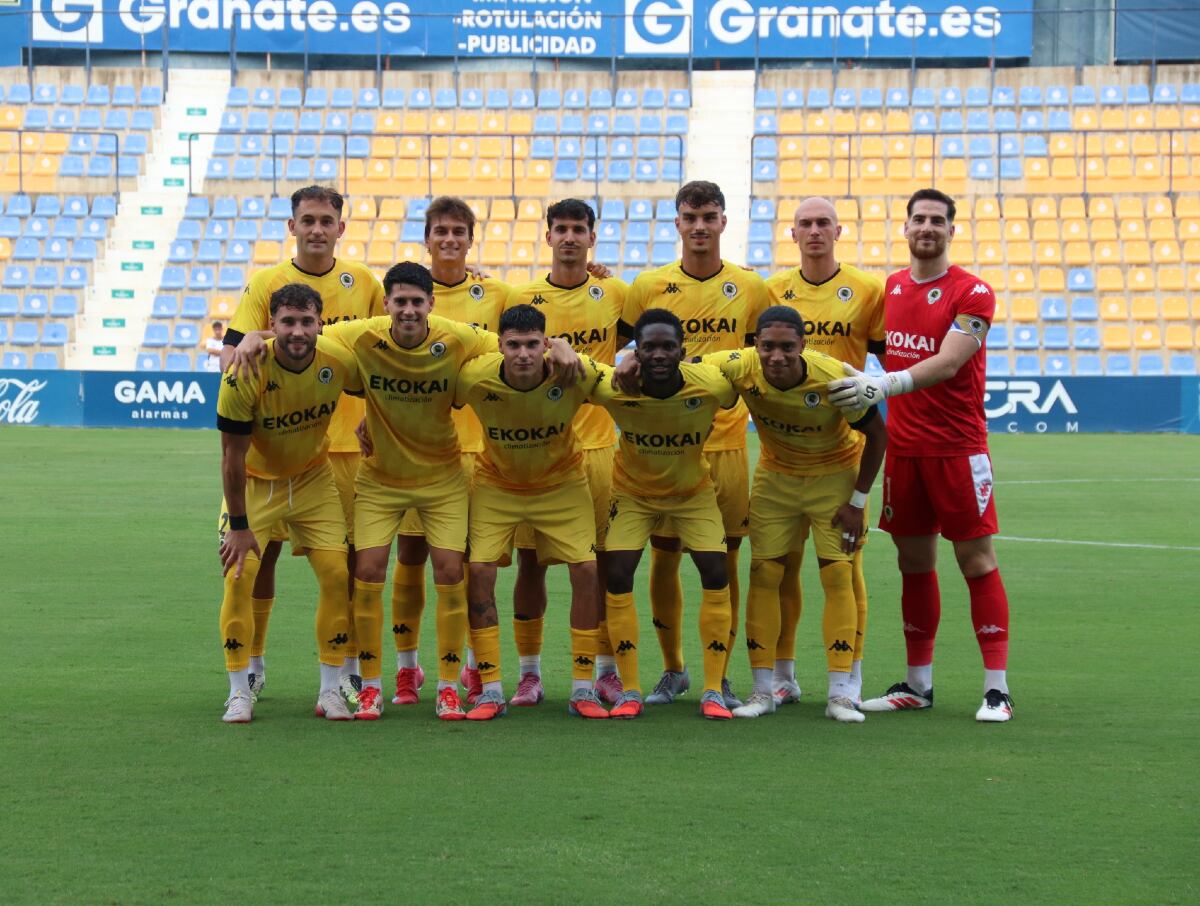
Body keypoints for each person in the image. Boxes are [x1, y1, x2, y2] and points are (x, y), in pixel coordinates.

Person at [230, 262, 583, 721]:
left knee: (450, 569)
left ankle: (449, 687)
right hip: (380, 479)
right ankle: (373, 686)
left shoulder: (457, 336)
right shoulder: (361, 335)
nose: (410, 309)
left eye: (418, 301)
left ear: (431, 304)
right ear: (387, 305)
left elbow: (514, 336)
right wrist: (256, 338)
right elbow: (301, 334)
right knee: (370, 569)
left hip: (442, 478)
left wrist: (558, 344)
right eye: (401, 301)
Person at [827, 188, 1014, 723]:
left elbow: (951, 361)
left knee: (976, 562)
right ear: (905, 228)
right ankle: (917, 684)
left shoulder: (973, 292)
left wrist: (882, 385)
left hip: (957, 450)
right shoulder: (891, 288)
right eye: (918, 219)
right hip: (905, 453)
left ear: (951, 231)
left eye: (937, 220)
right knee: (914, 564)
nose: (927, 227)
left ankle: (996, 689)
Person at [219, 185, 385, 705]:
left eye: (326, 220)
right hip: (276, 448)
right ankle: (253, 666)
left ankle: (350, 670)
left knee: (351, 563)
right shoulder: (266, 283)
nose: (317, 228)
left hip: (345, 448)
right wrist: (254, 339)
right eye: (307, 220)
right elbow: (233, 359)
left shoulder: (363, 281)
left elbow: (385, 353)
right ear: (292, 227)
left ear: (342, 226)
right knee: (258, 560)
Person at [698, 307, 886, 722]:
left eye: (786, 347)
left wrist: (857, 502)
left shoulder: (833, 376)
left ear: (803, 345)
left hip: (833, 478)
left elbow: (877, 435)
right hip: (776, 479)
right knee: (764, 574)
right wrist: (634, 359)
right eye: (767, 347)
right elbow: (686, 364)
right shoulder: (742, 366)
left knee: (837, 574)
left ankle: (841, 693)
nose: (776, 356)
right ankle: (764, 690)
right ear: (755, 346)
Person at [621, 181, 768, 710]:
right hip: (661, 448)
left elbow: (762, 359)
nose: (700, 226)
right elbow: (621, 353)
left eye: (709, 216)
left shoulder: (751, 287)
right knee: (662, 560)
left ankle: (719, 675)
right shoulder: (647, 286)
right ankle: (674, 669)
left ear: (723, 222)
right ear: (677, 224)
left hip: (725, 443)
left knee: (722, 562)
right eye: (690, 217)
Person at [502, 198, 630, 708]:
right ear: (548, 236)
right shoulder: (522, 297)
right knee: (530, 564)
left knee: (596, 564)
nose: (571, 237)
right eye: (562, 228)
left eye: (580, 228)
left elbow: (658, 337)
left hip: (599, 449)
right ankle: (530, 674)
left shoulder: (615, 292)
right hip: (538, 451)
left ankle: (604, 670)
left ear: (592, 238)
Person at [454, 304, 610, 720]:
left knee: (587, 570)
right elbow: (429, 396)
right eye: (514, 345)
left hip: (561, 483)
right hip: (497, 484)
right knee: (481, 571)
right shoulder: (474, 376)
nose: (523, 354)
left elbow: (628, 386)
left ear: (545, 344)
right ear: (500, 346)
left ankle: (582, 689)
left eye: (532, 345)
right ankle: (490, 689)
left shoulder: (573, 371)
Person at [215, 283, 361, 724]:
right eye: (287, 323)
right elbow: (231, 456)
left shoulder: (338, 361)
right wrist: (239, 526)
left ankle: (330, 689)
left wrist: (372, 419)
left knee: (338, 575)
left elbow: (379, 383)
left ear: (320, 323)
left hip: (314, 481)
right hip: (258, 486)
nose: (298, 332)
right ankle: (240, 691)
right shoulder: (244, 372)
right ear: (272, 325)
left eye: (306, 322)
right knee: (239, 577)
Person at [387, 197, 513, 708]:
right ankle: (406, 669)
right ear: (427, 236)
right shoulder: (401, 291)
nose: (450, 239)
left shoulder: (496, 292)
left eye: (459, 230)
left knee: (462, 565)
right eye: (441, 230)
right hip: (415, 450)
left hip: (477, 451)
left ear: (470, 237)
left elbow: (522, 341)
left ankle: (468, 666)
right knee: (409, 558)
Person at [590, 308, 740, 721]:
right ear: (635, 352)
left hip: (693, 494)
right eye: (649, 347)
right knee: (618, 574)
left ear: (682, 351)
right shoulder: (613, 387)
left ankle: (713, 688)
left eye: (667, 347)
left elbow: (737, 384)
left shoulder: (708, 384)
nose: (659, 355)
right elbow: (569, 365)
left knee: (716, 572)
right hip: (634, 496)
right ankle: (630, 690)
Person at [765, 197, 885, 705]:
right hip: (785, 448)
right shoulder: (772, 289)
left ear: (839, 230)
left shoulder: (868, 290)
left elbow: (890, 354)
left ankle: (848, 674)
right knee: (781, 566)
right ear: (793, 234)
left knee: (844, 568)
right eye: (805, 224)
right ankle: (785, 676)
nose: (814, 231)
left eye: (823, 223)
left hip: (845, 447)